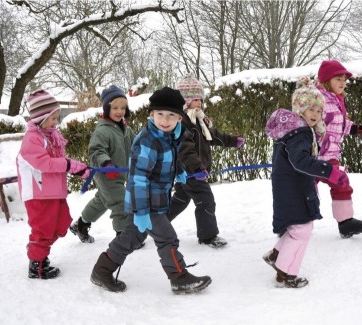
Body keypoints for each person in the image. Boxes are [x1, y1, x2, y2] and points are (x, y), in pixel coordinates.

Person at [90, 86, 212, 294]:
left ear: (180, 118)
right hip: (146, 202)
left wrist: (180, 172)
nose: (165, 120)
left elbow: (172, 159)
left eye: (171, 115)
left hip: (156, 198)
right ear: (152, 114)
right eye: (160, 114)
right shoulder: (148, 141)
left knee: (132, 238)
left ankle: (101, 271)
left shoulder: (170, 136)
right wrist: (142, 211)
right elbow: (138, 179)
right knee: (167, 238)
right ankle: (179, 277)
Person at [262, 78, 350, 288]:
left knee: (296, 227)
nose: (315, 114)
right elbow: (300, 161)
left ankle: (276, 255)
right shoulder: (300, 132)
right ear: (299, 109)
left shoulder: (294, 129)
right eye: (310, 108)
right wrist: (329, 171)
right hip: (294, 187)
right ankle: (285, 273)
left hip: (288, 185)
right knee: (302, 229)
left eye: (319, 110)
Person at [17, 89, 90, 279]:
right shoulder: (32, 138)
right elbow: (43, 163)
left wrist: (80, 169)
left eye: (57, 117)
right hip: (39, 194)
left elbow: (59, 163)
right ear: (40, 118)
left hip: (54, 192)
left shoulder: (49, 136)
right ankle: (37, 266)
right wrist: (68, 165)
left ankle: (40, 252)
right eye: (53, 118)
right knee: (43, 229)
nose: (56, 122)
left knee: (62, 224)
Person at [166, 73, 244, 248]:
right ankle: (208, 236)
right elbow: (185, 149)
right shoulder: (183, 123)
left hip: (193, 172)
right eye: (195, 100)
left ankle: (158, 222)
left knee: (180, 199)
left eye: (200, 99)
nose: (199, 103)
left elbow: (214, 136)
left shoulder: (200, 120)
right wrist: (196, 168)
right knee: (206, 200)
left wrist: (233, 141)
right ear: (185, 102)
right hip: (191, 171)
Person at [69, 85, 146, 248]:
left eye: (123, 108)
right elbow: (96, 150)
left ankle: (80, 225)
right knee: (120, 204)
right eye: (115, 107)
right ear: (106, 108)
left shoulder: (124, 127)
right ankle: (124, 238)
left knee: (102, 201)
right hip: (106, 174)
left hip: (119, 174)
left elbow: (136, 143)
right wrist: (106, 163)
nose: (120, 111)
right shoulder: (103, 130)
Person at [315, 60, 362, 238]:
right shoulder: (318, 99)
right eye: (338, 78)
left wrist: (357, 129)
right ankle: (290, 225)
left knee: (341, 183)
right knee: (303, 192)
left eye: (344, 79)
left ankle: (346, 223)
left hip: (329, 156)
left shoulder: (336, 100)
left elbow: (338, 124)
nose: (342, 82)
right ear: (326, 80)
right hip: (312, 156)